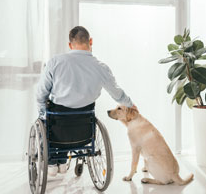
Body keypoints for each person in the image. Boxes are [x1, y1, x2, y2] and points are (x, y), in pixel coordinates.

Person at [36, 26, 136, 176]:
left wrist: (42, 113)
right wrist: (130, 104)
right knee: (67, 119)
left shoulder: (56, 62)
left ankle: (53, 162)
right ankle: (62, 161)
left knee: (47, 120)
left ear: (70, 45)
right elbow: (117, 93)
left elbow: (41, 94)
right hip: (84, 130)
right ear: (90, 41)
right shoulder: (101, 67)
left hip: (57, 125)